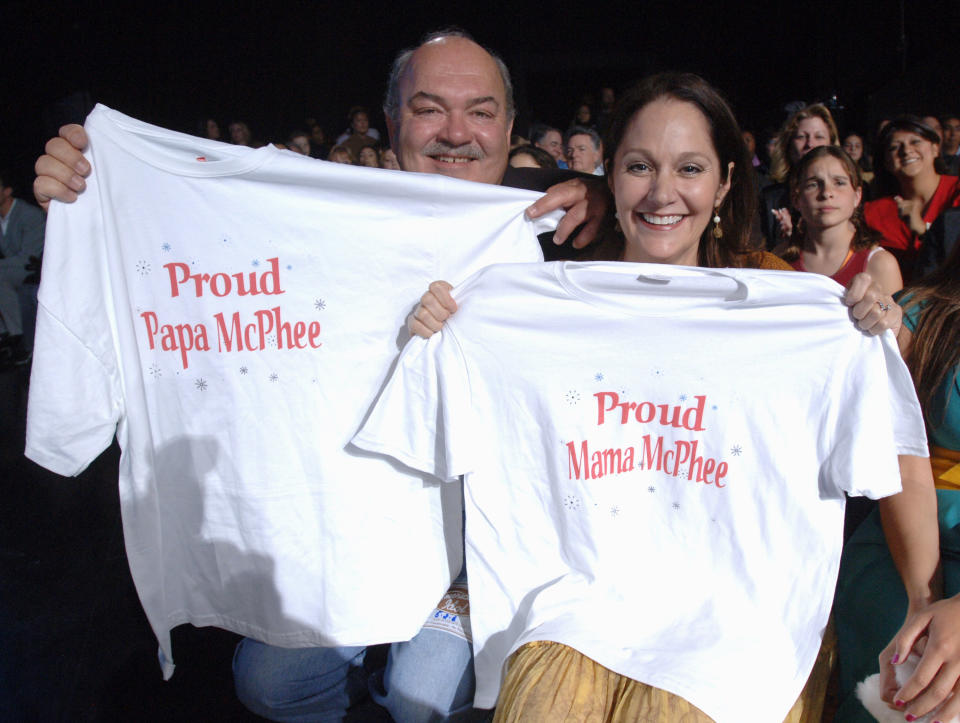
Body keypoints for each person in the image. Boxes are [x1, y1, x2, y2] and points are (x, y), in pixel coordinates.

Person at [32, 28, 612, 723]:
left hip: (487, 555)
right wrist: (95, 192)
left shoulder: (549, 219)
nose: (456, 131)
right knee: (270, 682)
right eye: (429, 108)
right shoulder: (310, 220)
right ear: (392, 120)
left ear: (509, 127)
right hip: (361, 535)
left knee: (421, 693)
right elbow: (176, 223)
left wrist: (601, 195)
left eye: (480, 111)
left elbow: (650, 211)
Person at [404, 72, 929, 723]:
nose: (661, 190)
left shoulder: (787, 306)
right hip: (574, 607)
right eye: (637, 166)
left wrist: (878, 334)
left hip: (735, 621)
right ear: (608, 178)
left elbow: (896, 452)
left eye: (689, 167)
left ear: (726, 182)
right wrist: (438, 327)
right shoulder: (533, 298)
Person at [834, 237, 960, 722]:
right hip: (911, 548)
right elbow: (903, 457)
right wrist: (922, 603)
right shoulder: (920, 317)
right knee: (899, 670)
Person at [775, 146, 901, 293]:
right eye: (813, 184)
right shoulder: (779, 258)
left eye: (839, 183)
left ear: (857, 196)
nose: (827, 193)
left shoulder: (880, 263)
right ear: (796, 198)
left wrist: (883, 307)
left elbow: (893, 313)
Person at [863, 116, 960, 281]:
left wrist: (923, 231)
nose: (906, 150)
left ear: (936, 149)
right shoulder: (872, 213)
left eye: (915, 142)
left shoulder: (956, 192)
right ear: (886, 161)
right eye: (894, 147)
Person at [760, 104, 839, 247]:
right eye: (801, 137)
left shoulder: (845, 193)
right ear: (789, 145)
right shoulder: (770, 198)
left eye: (819, 136)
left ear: (832, 145)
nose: (810, 143)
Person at [0, 170, 45, 365]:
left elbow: (29, 256)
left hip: (33, 268)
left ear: (7, 191)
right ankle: (4, 334)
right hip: (13, 268)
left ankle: (17, 336)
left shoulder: (29, 215)